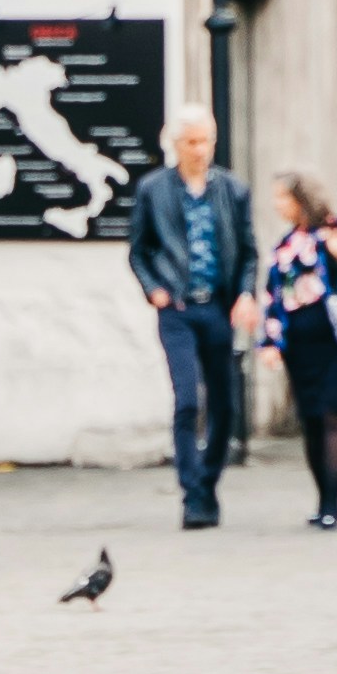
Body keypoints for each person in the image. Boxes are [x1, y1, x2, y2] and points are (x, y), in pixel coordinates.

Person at [126, 104, 257, 528]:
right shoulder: (154, 190)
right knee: (187, 400)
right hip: (178, 310)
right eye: (192, 142)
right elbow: (138, 250)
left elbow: (249, 251)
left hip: (218, 307)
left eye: (206, 141)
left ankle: (208, 482)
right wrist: (154, 289)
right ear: (176, 145)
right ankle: (192, 493)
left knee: (224, 404)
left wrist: (246, 295)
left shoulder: (233, 190)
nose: (200, 150)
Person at [253, 171, 337, 530]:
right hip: (301, 350)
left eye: (282, 197)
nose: (276, 204)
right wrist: (270, 343)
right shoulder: (286, 245)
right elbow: (274, 297)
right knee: (312, 421)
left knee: (333, 414)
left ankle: (332, 505)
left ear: (301, 200)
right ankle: (321, 500)